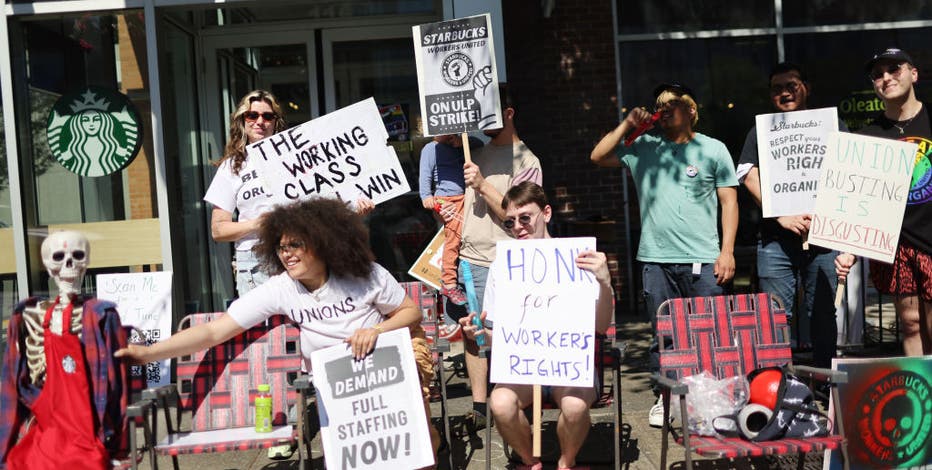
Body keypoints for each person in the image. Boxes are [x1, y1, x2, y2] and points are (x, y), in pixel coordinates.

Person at [114, 199, 439, 463]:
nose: (287, 254)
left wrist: (376, 330)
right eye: (281, 247)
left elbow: (410, 312)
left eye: (296, 245)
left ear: (322, 243)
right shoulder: (281, 289)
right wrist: (148, 353)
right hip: (339, 382)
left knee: (411, 441)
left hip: (385, 364)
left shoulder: (362, 273)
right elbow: (214, 332)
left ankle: (429, 445)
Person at [589, 82, 738, 427]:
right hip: (656, 259)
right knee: (664, 333)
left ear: (691, 110)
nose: (664, 108)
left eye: (673, 102)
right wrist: (628, 124)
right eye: (660, 104)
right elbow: (597, 156)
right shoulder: (643, 146)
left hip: (704, 258)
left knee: (709, 333)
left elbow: (729, 202)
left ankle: (712, 400)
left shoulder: (713, 149)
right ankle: (666, 397)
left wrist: (727, 251)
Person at [458, 182, 614, 470]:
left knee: (575, 406)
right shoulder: (501, 267)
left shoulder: (578, 259)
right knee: (500, 403)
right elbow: (495, 338)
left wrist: (605, 284)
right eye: (510, 222)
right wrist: (478, 334)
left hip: (569, 364)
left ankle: (566, 462)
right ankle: (531, 462)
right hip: (524, 366)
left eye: (525, 218)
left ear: (547, 213)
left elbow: (601, 328)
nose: (518, 227)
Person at [439, 85, 542, 431]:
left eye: (489, 112)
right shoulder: (477, 151)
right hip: (471, 259)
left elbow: (520, 217)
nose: (481, 120)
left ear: (508, 114)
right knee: (473, 334)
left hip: (506, 262)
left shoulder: (526, 161)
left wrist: (482, 184)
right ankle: (480, 406)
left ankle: (513, 403)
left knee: (508, 335)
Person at [204, 90, 375, 297]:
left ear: (276, 121)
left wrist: (353, 210)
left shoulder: (298, 159)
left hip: (302, 253)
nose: (260, 122)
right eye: (252, 115)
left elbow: (321, 207)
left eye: (268, 116)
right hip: (256, 260)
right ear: (242, 120)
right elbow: (218, 230)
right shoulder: (232, 167)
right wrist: (258, 224)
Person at [736, 63, 840, 368]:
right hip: (775, 242)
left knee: (823, 314)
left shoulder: (831, 125)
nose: (785, 93)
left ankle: (825, 382)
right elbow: (747, 174)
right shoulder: (761, 131)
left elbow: (849, 171)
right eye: (777, 88)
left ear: (806, 87)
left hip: (823, 238)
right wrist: (781, 214)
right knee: (774, 317)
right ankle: (777, 384)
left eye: (791, 86)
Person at [836, 48, 932, 356]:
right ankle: (923, 387)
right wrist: (849, 249)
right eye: (878, 75)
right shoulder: (868, 136)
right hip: (896, 245)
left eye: (894, 69)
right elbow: (860, 200)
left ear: (913, 74)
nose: (886, 78)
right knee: (912, 323)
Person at [418, 134, 482, 306]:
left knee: (462, 236)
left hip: (465, 196)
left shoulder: (459, 144)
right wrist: (426, 196)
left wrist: (462, 141)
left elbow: (479, 143)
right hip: (447, 200)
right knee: (453, 240)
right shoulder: (431, 149)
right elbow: (425, 176)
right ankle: (449, 283)